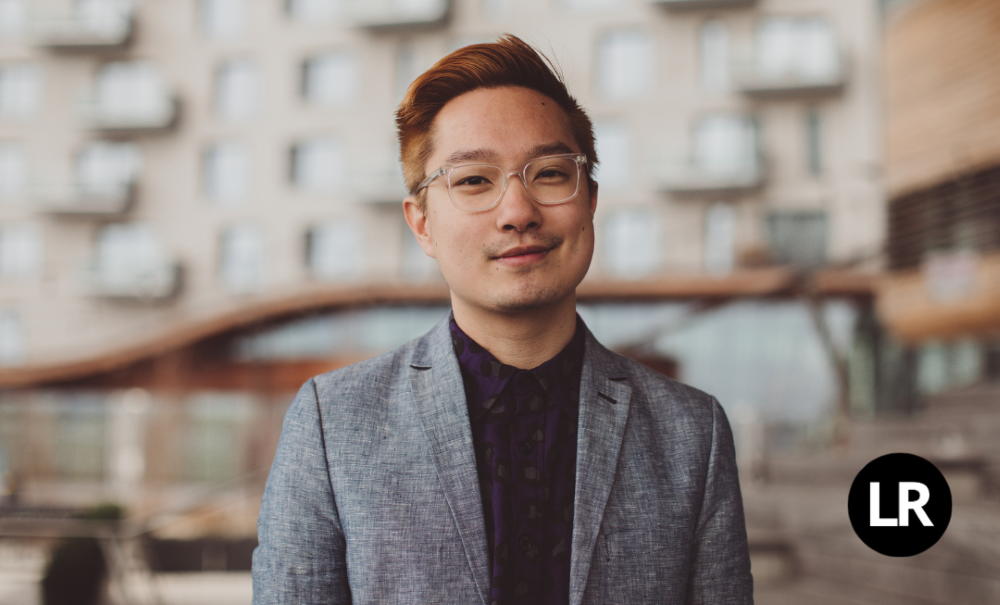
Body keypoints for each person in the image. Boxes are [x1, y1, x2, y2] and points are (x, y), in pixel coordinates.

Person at [252, 35, 753, 604]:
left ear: (589, 199)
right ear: (422, 224)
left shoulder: (693, 435)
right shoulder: (333, 424)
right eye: (472, 181)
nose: (517, 212)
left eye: (549, 174)